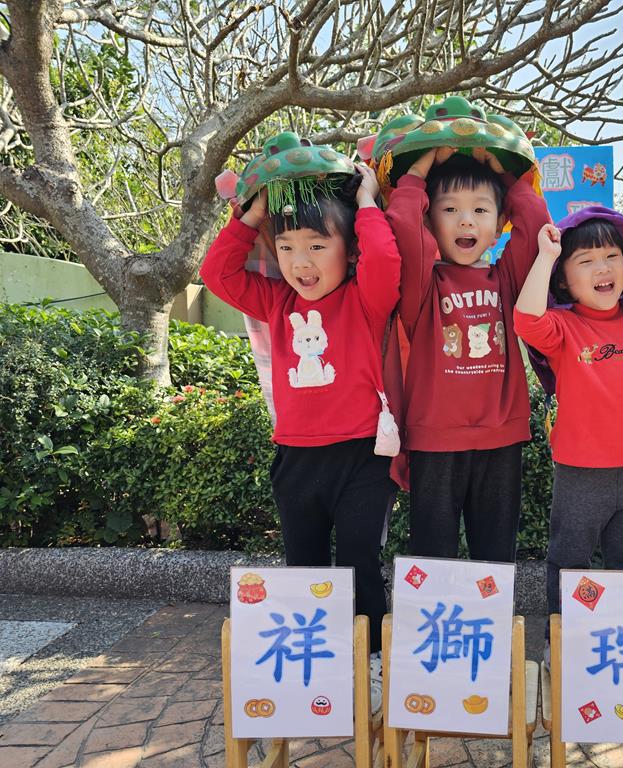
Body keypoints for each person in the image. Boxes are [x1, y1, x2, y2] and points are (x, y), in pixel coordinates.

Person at [201, 143, 399, 713]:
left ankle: (372, 659)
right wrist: (252, 217)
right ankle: (317, 666)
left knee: (361, 562)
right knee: (303, 566)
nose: (301, 261)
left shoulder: (366, 299)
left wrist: (367, 204)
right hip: (296, 458)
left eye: (317, 245)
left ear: (349, 249)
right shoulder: (275, 301)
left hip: (363, 457)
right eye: (286, 247)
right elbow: (216, 273)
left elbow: (387, 263)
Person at [513, 211, 623, 661]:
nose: (602, 268)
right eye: (586, 261)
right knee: (569, 560)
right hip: (579, 471)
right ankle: (560, 643)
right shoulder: (563, 327)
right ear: (564, 280)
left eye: (612, 256)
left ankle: (618, 645)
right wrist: (546, 256)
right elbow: (526, 321)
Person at [385, 146, 549, 563]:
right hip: (435, 440)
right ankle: (434, 613)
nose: (466, 220)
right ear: (429, 221)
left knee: (495, 557)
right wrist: (419, 169)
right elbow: (402, 225)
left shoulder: (507, 279)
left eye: (480, 210)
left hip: (501, 437)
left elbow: (534, 224)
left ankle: (490, 617)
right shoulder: (421, 285)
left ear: (498, 226)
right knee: (432, 556)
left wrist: (504, 174)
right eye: (450, 209)